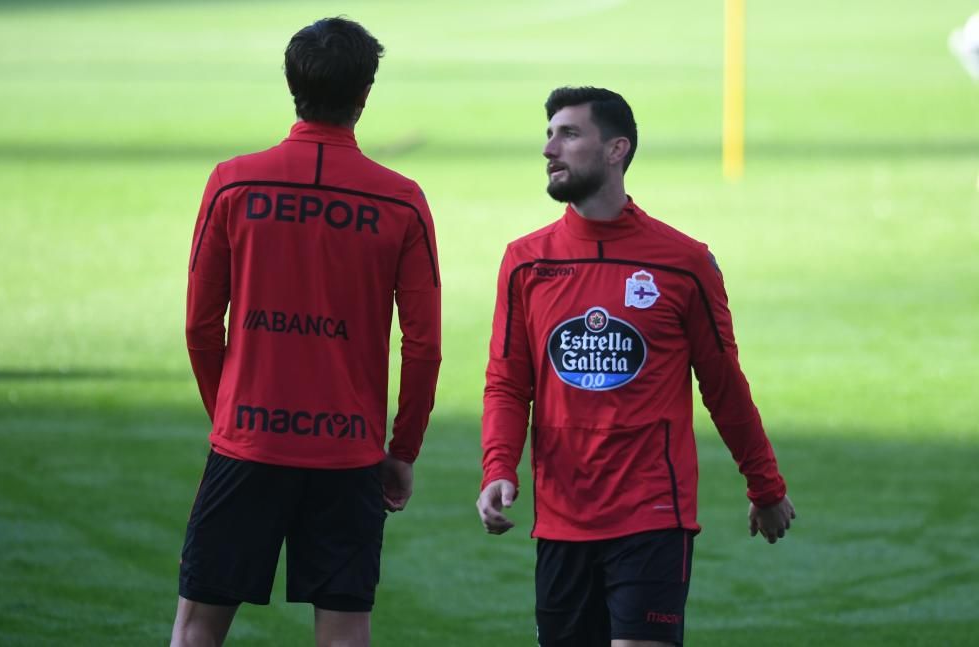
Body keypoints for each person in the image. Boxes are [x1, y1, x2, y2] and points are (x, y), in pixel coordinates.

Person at [476, 86, 795, 647]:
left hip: (652, 515)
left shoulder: (684, 263)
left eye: (569, 134)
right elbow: (507, 380)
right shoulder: (525, 261)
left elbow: (723, 386)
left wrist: (764, 486)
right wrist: (498, 468)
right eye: (549, 134)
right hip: (560, 517)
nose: (550, 148)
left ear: (616, 149)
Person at [171, 17, 441, 647]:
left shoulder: (233, 183)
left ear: (292, 84)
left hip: (248, 443)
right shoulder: (401, 200)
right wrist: (401, 449)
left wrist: (230, 413)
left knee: (197, 629)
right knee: (345, 633)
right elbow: (423, 345)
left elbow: (200, 324)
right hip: (348, 453)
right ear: (364, 94)